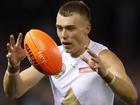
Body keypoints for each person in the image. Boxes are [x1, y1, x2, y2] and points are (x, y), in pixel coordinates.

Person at [3, 1, 137, 105]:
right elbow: (14, 92)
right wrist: (13, 67)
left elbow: (132, 98)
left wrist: (106, 74)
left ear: (87, 28)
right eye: (59, 28)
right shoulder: (53, 55)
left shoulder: (103, 56)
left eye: (70, 28)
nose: (63, 35)